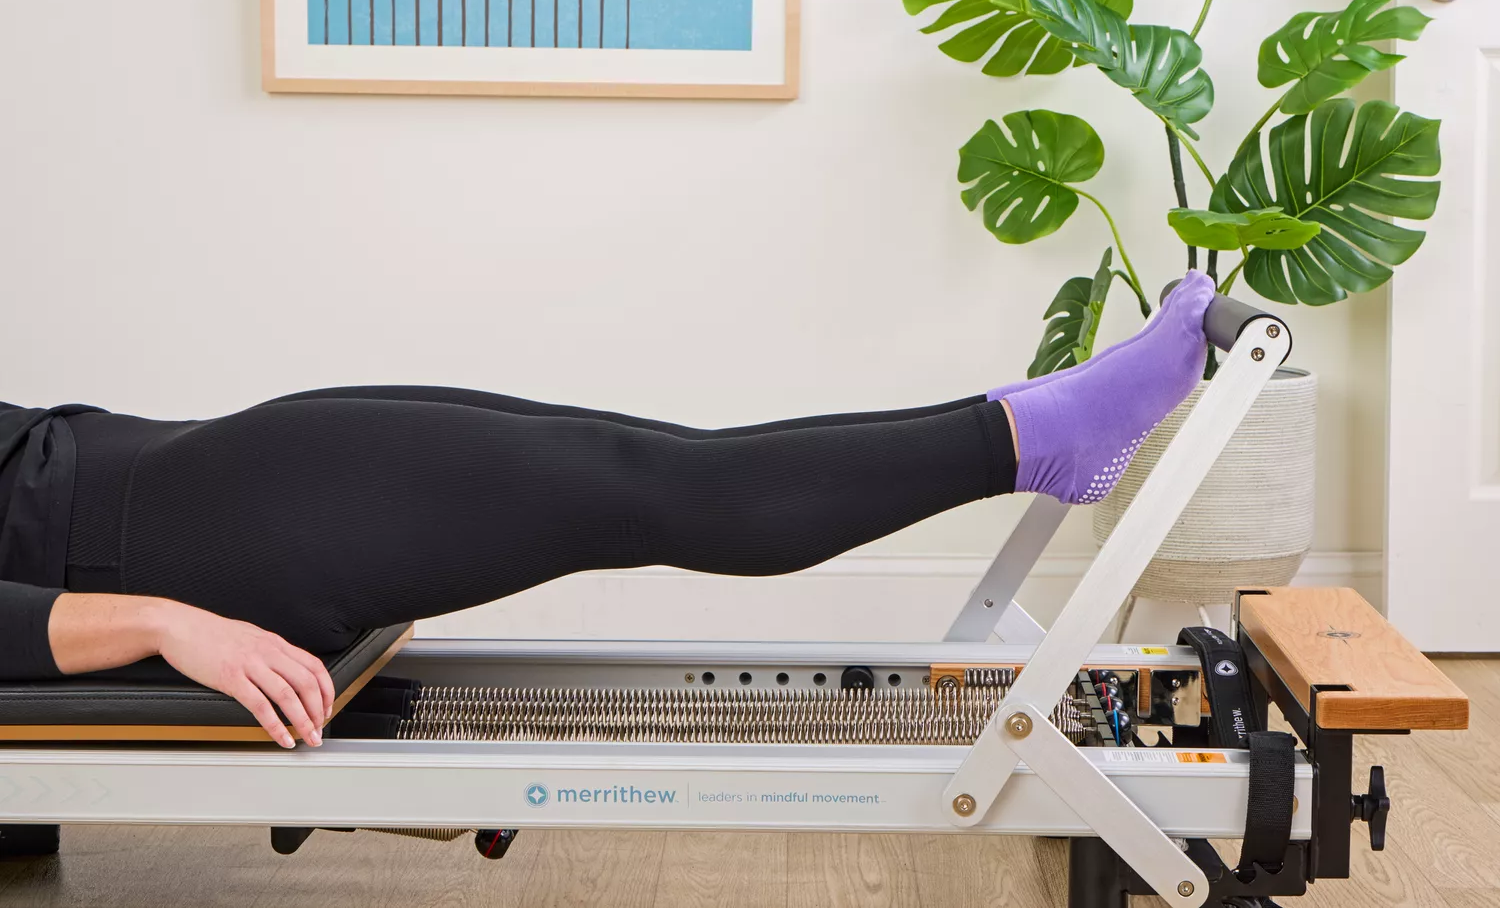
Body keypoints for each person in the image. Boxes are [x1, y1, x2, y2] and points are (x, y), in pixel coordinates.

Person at [0, 273, 1216, 748]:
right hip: (160, 543)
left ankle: (1032, 425)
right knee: (647, 487)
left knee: (636, 458)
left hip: (150, 475)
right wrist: (162, 619)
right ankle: (1045, 438)